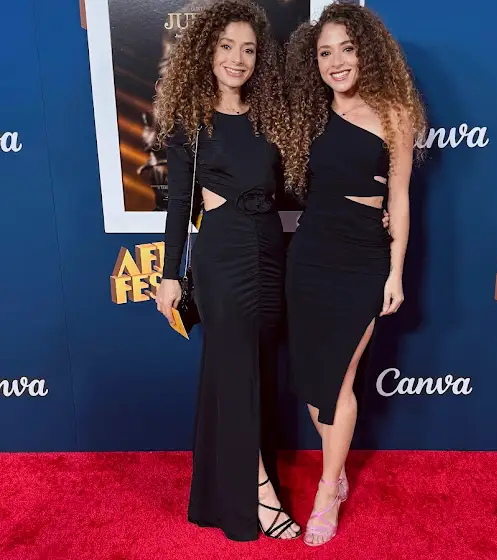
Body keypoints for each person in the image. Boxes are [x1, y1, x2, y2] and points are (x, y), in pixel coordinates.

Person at [154, 0, 301, 541]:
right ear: (206, 52)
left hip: (269, 250)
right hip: (222, 255)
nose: (237, 59)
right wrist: (170, 274)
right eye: (226, 46)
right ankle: (258, 493)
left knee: (254, 369)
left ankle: (220, 490)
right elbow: (178, 205)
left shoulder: (271, 117)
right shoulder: (190, 123)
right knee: (236, 372)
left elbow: (296, 187)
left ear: (260, 58)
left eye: (249, 49)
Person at [283, 2, 427, 546]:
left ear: (367, 52)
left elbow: (400, 198)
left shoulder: (395, 113)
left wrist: (395, 271)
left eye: (347, 48)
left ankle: (328, 490)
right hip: (310, 254)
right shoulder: (309, 113)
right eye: (325, 53)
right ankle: (337, 468)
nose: (337, 61)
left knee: (340, 379)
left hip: (364, 258)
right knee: (313, 384)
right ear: (314, 61)